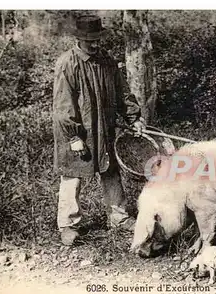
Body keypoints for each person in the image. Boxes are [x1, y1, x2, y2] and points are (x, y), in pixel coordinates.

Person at [52, 15, 147, 246]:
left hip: (104, 128)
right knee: (72, 176)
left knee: (110, 171)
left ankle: (119, 217)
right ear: (79, 39)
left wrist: (133, 117)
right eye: (89, 41)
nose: (94, 44)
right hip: (76, 132)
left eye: (97, 40)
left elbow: (122, 91)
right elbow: (63, 105)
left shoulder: (107, 60)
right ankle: (68, 224)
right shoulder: (67, 63)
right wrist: (74, 136)